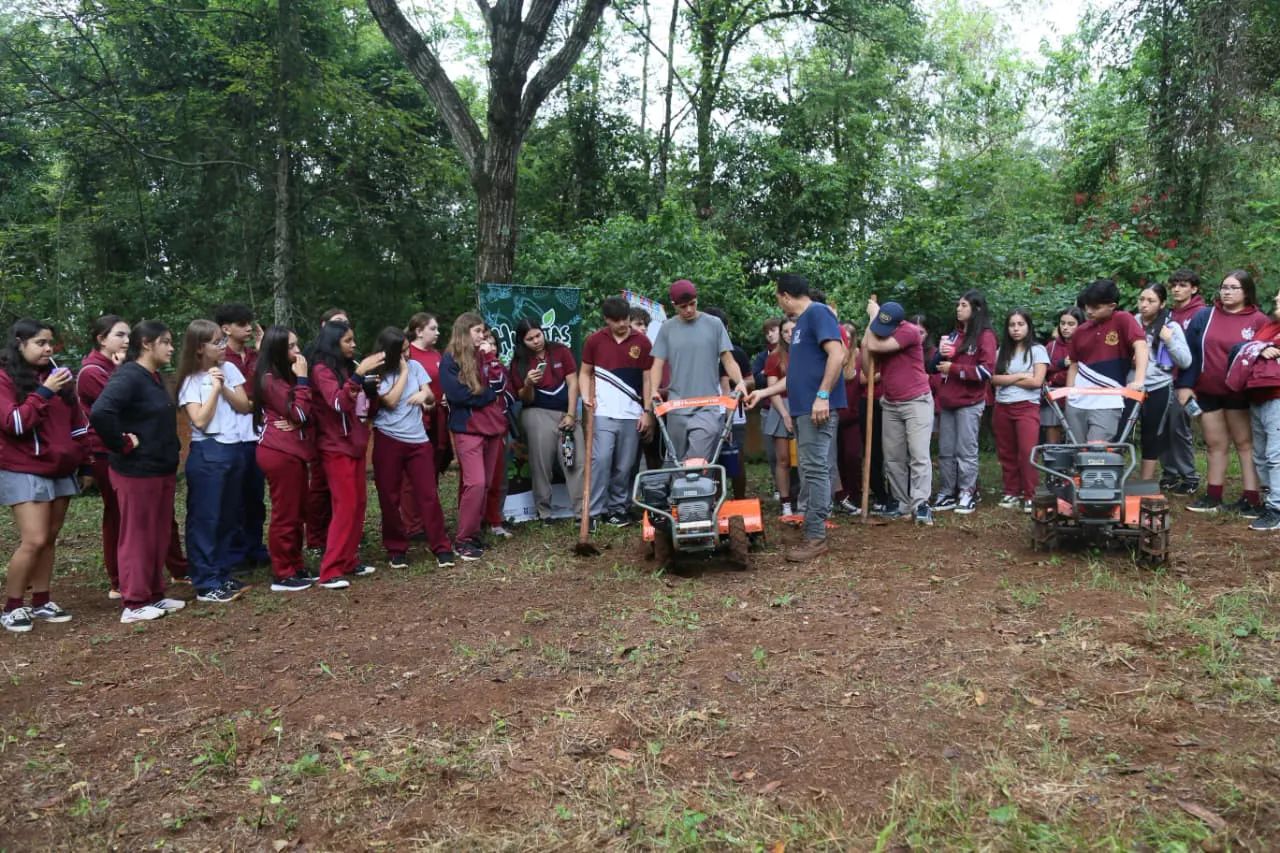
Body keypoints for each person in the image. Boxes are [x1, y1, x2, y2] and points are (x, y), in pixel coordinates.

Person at [78, 315, 191, 598]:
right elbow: (102, 412)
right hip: (136, 470)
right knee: (138, 536)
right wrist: (121, 443)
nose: (171, 348)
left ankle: (154, 594)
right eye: (165, 342)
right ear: (146, 344)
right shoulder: (129, 375)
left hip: (159, 467)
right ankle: (135, 601)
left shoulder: (151, 376)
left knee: (158, 533)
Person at [747, 274, 846, 560]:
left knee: (814, 470)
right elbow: (795, 377)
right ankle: (813, 528)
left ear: (786, 295)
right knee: (808, 469)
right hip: (803, 409)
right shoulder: (801, 324)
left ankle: (816, 538)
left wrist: (823, 395)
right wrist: (763, 394)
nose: (778, 303)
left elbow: (837, 355)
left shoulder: (819, 313)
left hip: (817, 409)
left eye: (778, 297)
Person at [0, 320, 87, 633]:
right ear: (20, 343)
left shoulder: (59, 378)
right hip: (23, 467)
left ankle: (41, 600)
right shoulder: (5, 378)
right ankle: (11, 607)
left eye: (51, 343)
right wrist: (44, 391)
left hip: (61, 468)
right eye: (40, 343)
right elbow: (15, 424)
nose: (48, 349)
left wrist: (82, 458)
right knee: (33, 539)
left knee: (49, 538)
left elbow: (78, 424)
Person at [1177, 269, 1268, 514]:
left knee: (1244, 444)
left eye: (1233, 288)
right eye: (1223, 287)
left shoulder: (1259, 320)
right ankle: (1213, 496)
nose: (1226, 292)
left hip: (1240, 392)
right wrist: (1184, 385)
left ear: (1246, 292)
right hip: (1207, 389)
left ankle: (1251, 497)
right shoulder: (1205, 316)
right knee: (1214, 443)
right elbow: (1189, 354)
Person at [176, 319, 252, 604]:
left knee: (229, 515)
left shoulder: (229, 369)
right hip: (209, 452)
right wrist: (215, 388)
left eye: (223, 340)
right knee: (206, 518)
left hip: (234, 448)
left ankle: (221, 572)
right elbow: (201, 420)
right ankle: (206, 581)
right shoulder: (189, 380)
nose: (222, 346)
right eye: (216, 342)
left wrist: (224, 384)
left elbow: (245, 405)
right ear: (199, 348)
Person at [369, 326, 456, 569]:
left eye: (408, 350)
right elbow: (390, 400)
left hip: (418, 440)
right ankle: (396, 548)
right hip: (388, 438)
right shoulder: (377, 373)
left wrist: (425, 398)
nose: (408, 355)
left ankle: (441, 546)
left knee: (428, 494)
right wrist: (405, 372)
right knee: (389, 496)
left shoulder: (416, 367)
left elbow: (429, 396)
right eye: (403, 352)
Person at [309, 321, 384, 588]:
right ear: (333, 343)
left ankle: (349, 560)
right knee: (345, 506)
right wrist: (359, 375)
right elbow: (338, 402)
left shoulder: (345, 366)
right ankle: (330, 570)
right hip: (334, 447)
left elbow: (361, 404)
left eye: (353, 340)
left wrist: (369, 386)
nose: (354, 345)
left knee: (358, 504)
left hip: (354, 443)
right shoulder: (321, 369)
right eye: (347, 341)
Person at [648, 279, 745, 462]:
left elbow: (728, 360)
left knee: (697, 461)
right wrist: (653, 390)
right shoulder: (667, 328)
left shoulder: (714, 324)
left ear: (697, 299)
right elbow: (657, 364)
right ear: (674, 305)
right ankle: (679, 490)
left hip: (706, 407)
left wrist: (740, 382)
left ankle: (699, 488)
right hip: (677, 406)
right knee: (676, 461)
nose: (689, 310)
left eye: (692, 304)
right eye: (683, 307)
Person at [580, 296, 654, 526]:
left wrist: (647, 410)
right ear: (607, 320)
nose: (623, 325)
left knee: (625, 465)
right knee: (600, 460)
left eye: (626, 319)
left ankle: (618, 509)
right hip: (603, 412)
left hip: (632, 413)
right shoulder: (594, 341)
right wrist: (586, 397)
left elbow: (648, 378)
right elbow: (585, 372)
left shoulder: (642, 342)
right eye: (617, 321)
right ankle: (592, 512)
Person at [253, 326, 316, 592]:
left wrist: (299, 416)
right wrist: (303, 381)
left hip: (294, 452)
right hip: (279, 453)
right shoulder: (270, 379)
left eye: (297, 345)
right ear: (277, 349)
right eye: (291, 346)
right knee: (286, 514)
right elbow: (300, 414)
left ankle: (296, 564)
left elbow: (302, 416)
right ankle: (283, 572)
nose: (298, 351)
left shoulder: (284, 376)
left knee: (298, 511)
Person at [861, 300, 935, 524]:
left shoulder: (909, 332)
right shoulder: (879, 334)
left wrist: (873, 319)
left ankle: (921, 504)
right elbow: (867, 368)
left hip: (917, 401)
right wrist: (870, 327)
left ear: (898, 323)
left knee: (918, 454)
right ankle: (903, 504)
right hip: (891, 403)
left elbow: (874, 346)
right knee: (893, 458)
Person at [441, 313, 507, 560]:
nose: (482, 335)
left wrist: (490, 356)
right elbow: (458, 396)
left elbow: (500, 385)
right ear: (465, 332)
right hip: (467, 428)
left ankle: (474, 532)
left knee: (486, 483)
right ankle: (463, 539)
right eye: (478, 331)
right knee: (475, 483)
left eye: (483, 331)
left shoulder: (485, 356)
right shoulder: (450, 359)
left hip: (491, 427)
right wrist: (486, 396)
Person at [510, 318, 584, 524]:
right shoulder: (519, 362)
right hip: (537, 411)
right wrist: (528, 383)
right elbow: (524, 398)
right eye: (529, 339)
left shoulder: (560, 351)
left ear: (543, 332)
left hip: (565, 410)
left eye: (538, 335)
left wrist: (571, 414)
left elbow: (573, 383)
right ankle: (544, 512)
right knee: (541, 461)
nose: (536, 341)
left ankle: (581, 512)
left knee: (575, 459)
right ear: (522, 341)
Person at [930, 290, 996, 514]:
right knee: (946, 450)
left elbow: (987, 372)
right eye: (958, 305)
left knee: (966, 450)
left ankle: (968, 492)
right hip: (948, 401)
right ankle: (947, 492)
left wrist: (954, 369)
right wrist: (940, 355)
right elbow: (933, 367)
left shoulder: (985, 336)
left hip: (970, 401)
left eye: (964, 305)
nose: (958, 308)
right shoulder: (953, 335)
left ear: (976, 309)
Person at [215, 303, 269, 568]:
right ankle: (235, 553)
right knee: (233, 497)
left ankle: (255, 547)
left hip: (255, 432)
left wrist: (262, 353)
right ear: (226, 328)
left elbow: (263, 388)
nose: (248, 328)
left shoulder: (255, 355)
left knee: (255, 496)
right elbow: (246, 391)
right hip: (230, 434)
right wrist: (248, 398)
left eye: (250, 323)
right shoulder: (219, 357)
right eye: (242, 324)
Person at [1065, 278, 1149, 443]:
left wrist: (1139, 380)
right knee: (1077, 451)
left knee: (1097, 450)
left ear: (1112, 306)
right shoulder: (1080, 331)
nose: (1089, 311)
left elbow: (1141, 346)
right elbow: (1074, 365)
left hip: (1108, 398)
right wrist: (1069, 392)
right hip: (1077, 400)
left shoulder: (1123, 319)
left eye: (1095, 307)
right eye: (1086, 306)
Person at [991, 310, 1049, 511]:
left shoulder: (1038, 350)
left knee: (1027, 452)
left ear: (1028, 326)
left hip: (1027, 407)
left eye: (1020, 324)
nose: (1016, 329)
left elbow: (1036, 382)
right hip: (1002, 406)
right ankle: (1011, 492)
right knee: (1007, 452)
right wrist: (1020, 376)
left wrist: (1009, 377)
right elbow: (994, 379)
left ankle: (1030, 494)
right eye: (1012, 325)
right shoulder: (1001, 352)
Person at [399, 312, 451, 537]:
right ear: (419, 331)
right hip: (417, 419)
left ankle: (428, 518)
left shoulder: (436, 354)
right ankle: (412, 524)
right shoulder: (409, 354)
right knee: (412, 475)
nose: (438, 332)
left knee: (433, 469)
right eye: (433, 328)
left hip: (439, 417)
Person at [1136, 284, 1192, 482]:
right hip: (1131, 386)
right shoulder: (1131, 323)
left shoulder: (1171, 327)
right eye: (1141, 299)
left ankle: (1145, 482)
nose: (1144, 305)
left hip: (1158, 385)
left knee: (1151, 433)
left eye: (1150, 301)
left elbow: (1185, 361)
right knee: (1120, 430)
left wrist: (1169, 340)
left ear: (1162, 304)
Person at [305, 307, 350, 551]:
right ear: (325, 328)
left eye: (346, 323)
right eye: (338, 324)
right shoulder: (314, 357)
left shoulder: (346, 361)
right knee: (321, 485)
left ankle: (340, 531)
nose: (343, 327)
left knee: (344, 493)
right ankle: (316, 538)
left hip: (344, 435)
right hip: (321, 431)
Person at [1162, 269, 1207, 493]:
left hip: (1187, 382)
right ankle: (1169, 473)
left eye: (1182, 285)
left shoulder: (1201, 314)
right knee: (1163, 428)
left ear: (1194, 288)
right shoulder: (1167, 314)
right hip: (1164, 378)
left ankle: (1189, 476)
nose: (1177, 289)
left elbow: (1199, 353)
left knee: (1180, 428)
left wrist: (1189, 384)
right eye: (1174, 285)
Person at [704, 306, 753, 500]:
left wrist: (735, 382)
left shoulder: (736, 353)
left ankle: (740, 499)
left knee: (736, 457)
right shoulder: (699, 353)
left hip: (735, 414)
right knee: (711, 459)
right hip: (706, 412)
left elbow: (750, 380)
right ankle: (715, 500)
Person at [1245, 290, 1280, 531]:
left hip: (1277, 398)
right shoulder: (1269, 327)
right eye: (1276, 297)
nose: (1276, 300)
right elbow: (1246, 349)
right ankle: (1270, 499)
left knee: (1275, 455)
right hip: (1257, 395)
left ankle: (1277, 508)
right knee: (1260, 454)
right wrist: (1260, 349)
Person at [479, 329, 514, 538]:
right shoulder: (469, 367)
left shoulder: (498, 367)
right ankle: (474, 521)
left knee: (497, 476)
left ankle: (494, 520)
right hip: (475, 428)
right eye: (484, 342)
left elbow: (504, 392)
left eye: (492, 343)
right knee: (474, 479)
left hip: (498, 426)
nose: (488, 346)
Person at [761, 318, 796, 517]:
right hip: (781, 405)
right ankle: (785, 503)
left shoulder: (810, 352)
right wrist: (784, 414)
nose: (789, 334)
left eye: (792, 330)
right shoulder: (775, 357)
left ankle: (807, 501)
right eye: (785, 332)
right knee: (782, 459)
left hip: (806, 406)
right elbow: (772, 389)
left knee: (806, 459)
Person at [1042, 307, 1084, 444]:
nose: (1065, 327)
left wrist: (1055, 377)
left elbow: (1079, 371)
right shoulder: (1051, 346)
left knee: (1077, 435)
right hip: (1053, 397)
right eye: (1062, 323)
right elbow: (1043, 370)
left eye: (1071, 324)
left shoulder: (1085, 344)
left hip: (1078, 396)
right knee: (1052, 430)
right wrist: (1060, 364)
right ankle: (1055, 463)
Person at [750, 318, 782, 496]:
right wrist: (765, 374)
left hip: (789, 408)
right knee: (772, 453)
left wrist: (766, 374)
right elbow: (758, 380)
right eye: (767, 332)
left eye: (773, 330)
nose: (770, 334)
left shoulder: (792, 352)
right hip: (768, 409)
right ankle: (779, 487)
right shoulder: (763, 357)